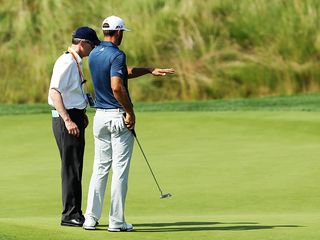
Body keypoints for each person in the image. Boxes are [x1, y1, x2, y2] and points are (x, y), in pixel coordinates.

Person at [83, 16, 175, 231]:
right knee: (120, 170)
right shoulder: (117, 54)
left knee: (100, 168)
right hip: (117, 117)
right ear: (119, 32)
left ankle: (90, 218)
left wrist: (149, 69)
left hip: (100, 118)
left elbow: (123, 72)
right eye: (122, 32)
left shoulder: (94, 53)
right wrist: (130, 112)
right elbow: (117, 86)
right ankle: (116, 221)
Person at [48, 26, 100, 227]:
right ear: (82, 43)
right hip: (66, 119)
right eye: (92, 45)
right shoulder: (67, 61)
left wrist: (81, 113)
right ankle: (69, 214)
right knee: (71, 167)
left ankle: (75, 212)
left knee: (75, 166)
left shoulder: (73, 61)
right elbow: (55, 92)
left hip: (75, 116)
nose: (93, 49)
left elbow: (71, 91)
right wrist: (69, 120)